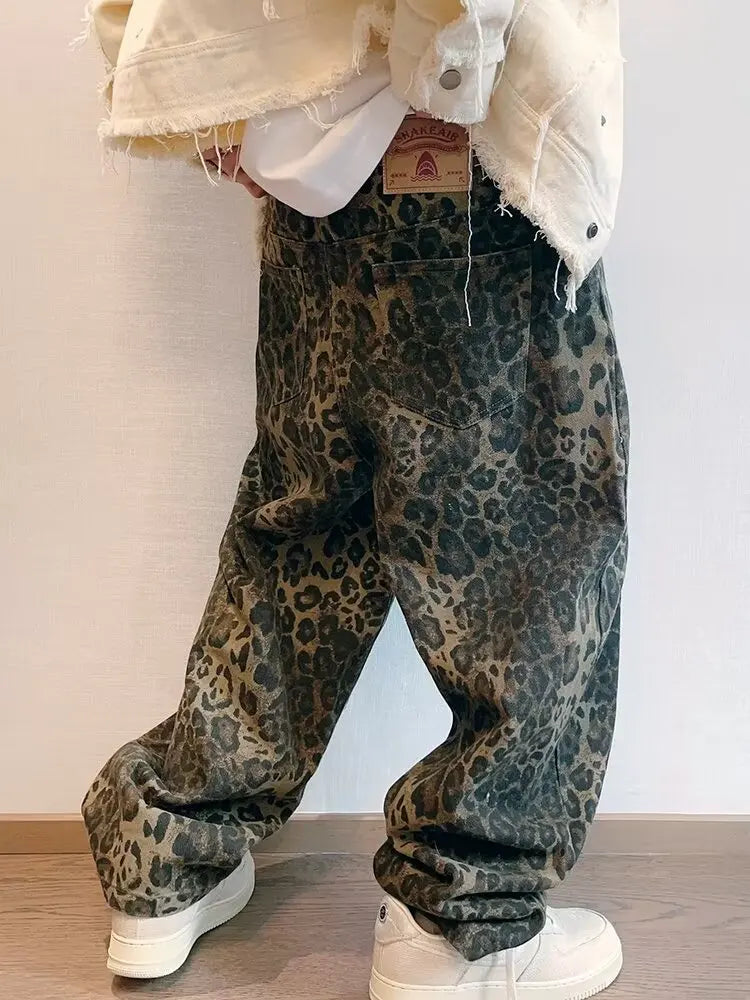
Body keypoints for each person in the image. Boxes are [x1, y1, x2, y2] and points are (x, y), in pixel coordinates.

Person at [80, 1, 629, 997]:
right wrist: (452, 66)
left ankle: (168, 853)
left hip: (313, 150)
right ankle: (464, 924)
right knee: (528, 556)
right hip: (467, 153)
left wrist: (203, 103)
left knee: (306, 534)